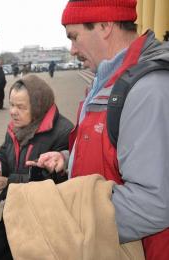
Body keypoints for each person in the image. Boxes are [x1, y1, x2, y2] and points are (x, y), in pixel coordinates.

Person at [28, 1, 169, 259]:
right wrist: (68, 159)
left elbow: (154, 203)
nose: (71, 49)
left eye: (74, 37)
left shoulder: (148, 88)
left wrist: (66, 215)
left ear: (105, 25)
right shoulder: (108, 80)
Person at [0, 74, 74, 193]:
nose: (13, 112)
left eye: (20, 107)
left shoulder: (64, 132)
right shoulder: (14, 127)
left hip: (44, 208)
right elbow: (5, 155)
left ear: (38, 107)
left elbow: (53, 182)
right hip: (15, 203)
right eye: (12, 104)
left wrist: (9, 183)